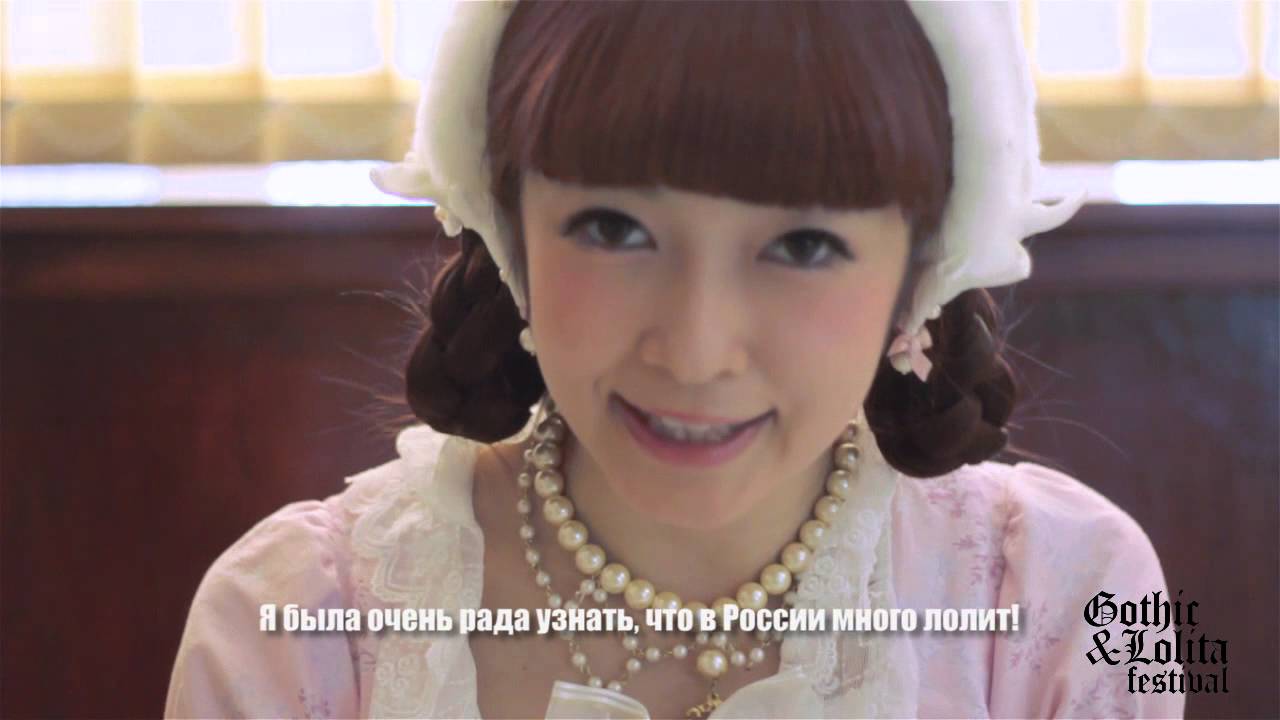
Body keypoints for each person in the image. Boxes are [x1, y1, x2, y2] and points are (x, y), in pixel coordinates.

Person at [165, 2, 1183, 718]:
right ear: (509, 232)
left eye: (803, 246)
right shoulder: (292, 627)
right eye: (613, 229)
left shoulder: (1071, 600)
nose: (694, 352)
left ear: (920, 272)